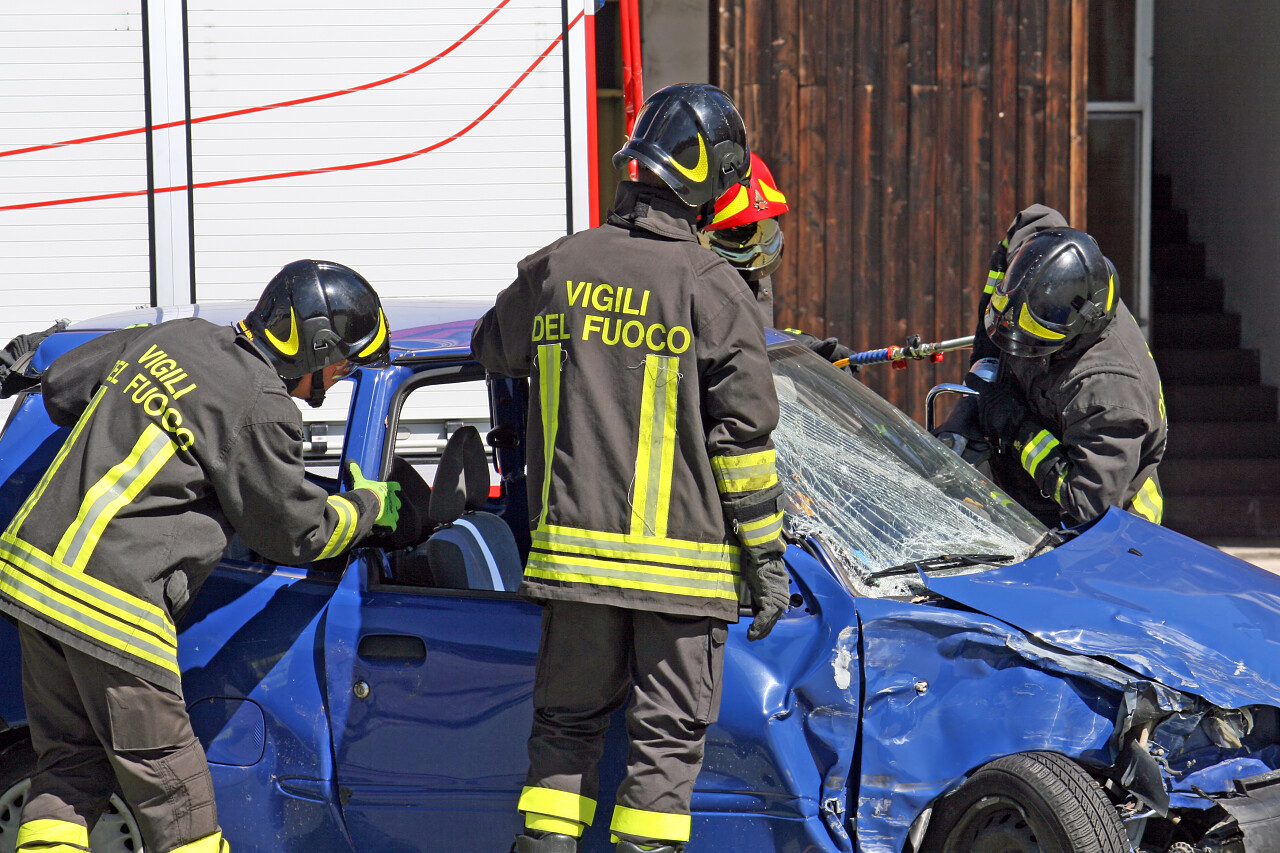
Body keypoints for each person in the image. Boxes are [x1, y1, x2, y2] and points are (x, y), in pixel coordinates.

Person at [472, 83, 790, 853]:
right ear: (710, 180)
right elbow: (743, 444)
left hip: (574, 568)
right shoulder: (714, 290)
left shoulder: (557, 267)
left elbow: (492, 346)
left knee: (564, 735)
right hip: (682, 576)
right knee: (664, 749)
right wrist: (768, 562)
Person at [0, 259, 403, 853]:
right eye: (343, 361)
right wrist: (367, 507)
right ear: (312, 346)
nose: (341, 376)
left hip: (32, 582)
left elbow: (60, 388)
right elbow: (296, 533)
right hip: (113, 607)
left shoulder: (178, 335)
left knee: (69, 766)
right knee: (179, 801)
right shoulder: (263, 407)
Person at [936, 205, 1167, 527]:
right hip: (1025, 499)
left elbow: (1089, 506)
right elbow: (1031, 220)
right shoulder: (1047, 259)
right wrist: (986, 365)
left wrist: (1015, 427)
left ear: (1085, 318)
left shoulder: (1108, 394)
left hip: (1108, 538)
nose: (1021, 347)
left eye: (1034, 337)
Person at [699, 152, 855, 366]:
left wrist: (798, 351)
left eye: (762, 227)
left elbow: (750, 346)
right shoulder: (692, 279)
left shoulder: (752, 265)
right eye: (739, 231)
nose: (754, 248)